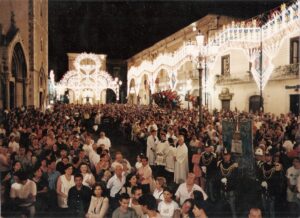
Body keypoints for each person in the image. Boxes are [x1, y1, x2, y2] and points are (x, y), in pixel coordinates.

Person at [216, 149, 238, 218]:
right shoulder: (220, 163)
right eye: (224, 155)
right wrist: (220, 179)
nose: (226, 157)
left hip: (230, 189)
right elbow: (217, 174)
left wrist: (227, 179)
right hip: (222, 188)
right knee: (223, 206)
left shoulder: (234, 165)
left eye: (227, 155)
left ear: (230, 155)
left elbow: (235, 177)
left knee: (232, 207)